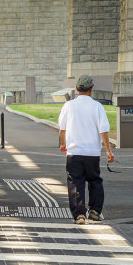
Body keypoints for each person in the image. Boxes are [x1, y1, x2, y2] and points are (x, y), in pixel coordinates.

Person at [58, 75, 114, 225]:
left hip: (74, 152)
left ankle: (79, 214)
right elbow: (103, 130)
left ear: (76, 89)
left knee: (75, 182)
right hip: (92, 153)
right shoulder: (97, 107)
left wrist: (63, 144)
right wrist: (108, 150)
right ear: (91, 89)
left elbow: (62, 129)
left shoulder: (68, 106)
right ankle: (95, 211)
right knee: (95, 180)